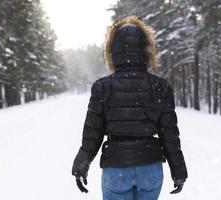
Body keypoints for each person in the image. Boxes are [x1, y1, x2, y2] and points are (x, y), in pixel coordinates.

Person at [71, 16, 188, 200]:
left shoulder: (102, 87)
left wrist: (81, 165)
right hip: (150, 165)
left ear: (112, 51)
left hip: (116, 167)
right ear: (147, 49)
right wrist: (179, 170)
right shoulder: (160, 86)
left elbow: (92, 133)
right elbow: (169, 133)